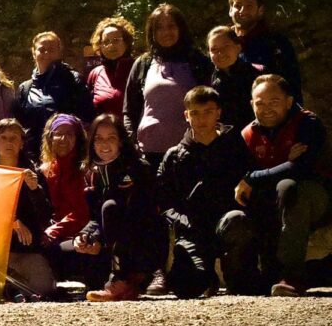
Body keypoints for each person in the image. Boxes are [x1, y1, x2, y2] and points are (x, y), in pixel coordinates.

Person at [231, 75, 332, 296]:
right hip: (273, 200)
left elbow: (301, 168)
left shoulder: (307, 123)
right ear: (251, 104)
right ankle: (266, 273)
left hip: (316, 199)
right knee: (249, 200)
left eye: (274, 102)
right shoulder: (247, 134)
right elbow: (241, 178)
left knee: (288, 186)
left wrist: (254, 177)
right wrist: (286, 163)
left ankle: (293, 275)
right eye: (260, 103)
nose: (267, 109)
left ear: (289, 102)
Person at [157, 86, 258, 298]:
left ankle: (235, 275)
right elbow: (165, 202)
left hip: (226, 224)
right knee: (185, 288)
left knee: (237, 221)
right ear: (186, 115)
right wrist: (185, 223)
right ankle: (207, 276)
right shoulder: (174, 156)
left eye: (208, 112)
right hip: (192, 229)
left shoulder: (235, 149)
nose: (201, 119)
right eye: (195, 113)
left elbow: (251, 186)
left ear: (218, 113)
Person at [81, 114, 164, 302]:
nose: (104, 144)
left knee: (111, 207)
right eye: (98, 138)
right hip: (115, 242)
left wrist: (102, 239)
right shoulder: (92, 173)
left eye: (111, 138)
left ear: (121, 141)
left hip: (145, 240)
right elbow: (95, 217)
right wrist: (86, 236)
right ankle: (127, 283)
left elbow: (144, 213)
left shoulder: (138, 168)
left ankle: (127, 277)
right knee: (88, 268)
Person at [124, 4, 213, 171]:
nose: (166, 32)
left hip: (191, 151)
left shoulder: (198, 62)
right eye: (159, 28)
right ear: (152, 32)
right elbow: (129, 111)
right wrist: (132, 145)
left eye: (171, 26)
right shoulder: (143, 64)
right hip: (149, 153)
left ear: (181, 28)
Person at [0, 118, 55, 299]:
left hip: (26, 252)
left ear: (21, 143)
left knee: (44, 288)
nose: (8, 142)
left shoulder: (33, 173)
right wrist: (12, 222)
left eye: (14, 138)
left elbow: (45, 216)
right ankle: (11, 288)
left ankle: (13, 289)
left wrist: (35, 189)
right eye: (3, 137)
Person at [36, 114, 105, 290]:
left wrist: (54, 230)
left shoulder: (86, 170)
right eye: (58, 134)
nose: (63, 139)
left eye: (69, 134)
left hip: (80, 234)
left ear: (78, 138)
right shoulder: (44, 170)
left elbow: (83, 212)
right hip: (53, 234)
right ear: (50, 138)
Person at [12, 32, 93, 160]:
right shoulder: (25, 89)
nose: (46, 54)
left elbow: (87, 118)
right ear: (33, 53)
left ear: (59, 53)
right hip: (36, 157)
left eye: (51, 50)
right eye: (41, 49)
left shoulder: (73, 81)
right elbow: (19, 126)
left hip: (69, 156)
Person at [229, 0, 302, 104]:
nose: (242, 11)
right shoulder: (223, 43)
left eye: (249, 6)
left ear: (260, 10)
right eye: (237, 6)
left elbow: (292, 84)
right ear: (230, 10)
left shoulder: (276, 43)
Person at [207, 26, 259, 129]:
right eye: (214, 49)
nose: (220, 53)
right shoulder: (208, 82)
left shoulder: (256, 74)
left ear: (238, 47)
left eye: (226, 46)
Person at [86, 16, 136, 118]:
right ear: (100, 46)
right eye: (106, 42)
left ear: (126, 42)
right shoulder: (95, 74)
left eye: (116, 40)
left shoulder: (139, 69)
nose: (111, 45)